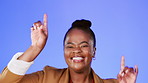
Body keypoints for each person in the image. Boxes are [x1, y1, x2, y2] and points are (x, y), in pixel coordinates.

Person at [0, 14, 138, 83]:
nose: (76, 51)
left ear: (93, 51)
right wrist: (35, 48)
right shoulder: (46, 78)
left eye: (84, 45)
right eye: (70, 46)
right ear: (64, 51)